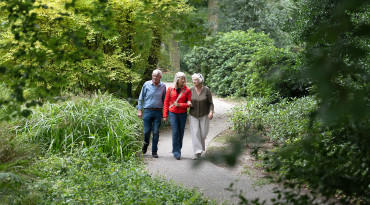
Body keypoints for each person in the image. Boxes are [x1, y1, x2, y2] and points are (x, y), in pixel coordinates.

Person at [137, 69, 166, 158]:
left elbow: (165, 100)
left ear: (160, 77)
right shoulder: (146, 84)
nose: (154, 77)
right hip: (147, 111)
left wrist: (165, 114)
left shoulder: (163, 86)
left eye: (156, 76)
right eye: (153, 75)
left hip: (158, 111)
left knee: (156, 132)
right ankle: (145, 145)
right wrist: (139, 110)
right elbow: (141, 98)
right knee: (146, 132)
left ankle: (154, 151)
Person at [163, 72, 192, 160]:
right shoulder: (170, 89)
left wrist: (180, 105)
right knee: (175, 132)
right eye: (181, 78)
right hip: (173, 113)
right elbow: (166, 102)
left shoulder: (187, 90)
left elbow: (189, 104)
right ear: (177, 79)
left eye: (184, 79)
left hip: (182, 114)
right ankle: (176, 152)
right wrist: (165, 115)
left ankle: (178, 149)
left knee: (181, 132)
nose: (183, 80)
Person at [188, 73, 214, 160]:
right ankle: (197, 152)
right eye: (193, 80)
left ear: (200, 81)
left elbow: (210, 103)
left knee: (203, 134)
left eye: (196, 80)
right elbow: (186, 100)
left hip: (204, 115)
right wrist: (187, 103)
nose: (194, 81)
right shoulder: (190, 90)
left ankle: (200, 149)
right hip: (193, 115)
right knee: (195, 133)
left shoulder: (206, 90)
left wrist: (211, 112)